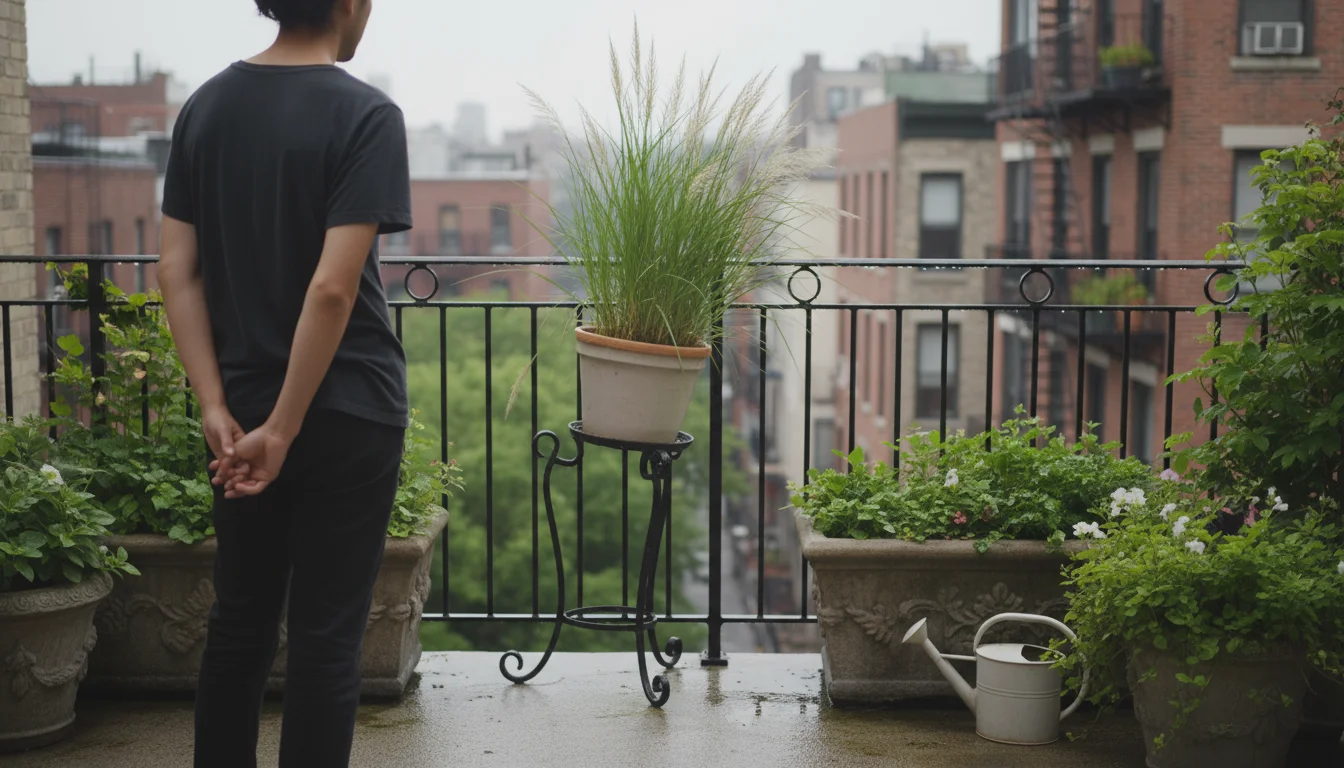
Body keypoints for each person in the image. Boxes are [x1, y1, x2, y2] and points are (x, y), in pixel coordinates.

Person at [157, 1, 411, 765]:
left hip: (241, 410)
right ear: (347, 3)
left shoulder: (207, 106)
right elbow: (333, 291)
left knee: (238, 622)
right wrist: (288, 428)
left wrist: (216, 404)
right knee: (327, 636)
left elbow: (177, 271)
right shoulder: (366, 113)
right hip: (350, 407)